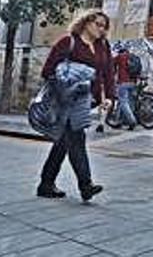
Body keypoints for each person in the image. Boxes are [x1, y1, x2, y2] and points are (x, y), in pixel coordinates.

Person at [37, 10, 113, 201]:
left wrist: (109, 96)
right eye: (98, 24)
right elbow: (47, 71)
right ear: (86, 23)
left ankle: (46, 184)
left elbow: (108, 73)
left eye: (104, 26)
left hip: (86, 101)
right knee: (76, 137)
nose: (101, 29)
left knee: (63, 141)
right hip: (66, 100)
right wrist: (74, 78)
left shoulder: (103, 46)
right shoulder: (68, 42)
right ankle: (85, 185)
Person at [111, 45, 138, 129]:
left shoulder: (120, 56)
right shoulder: (133, 56)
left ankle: (132, 121)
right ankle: (119, 121)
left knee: (123, 102)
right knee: (127, 102)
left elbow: (111, 64)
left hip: (123, 82)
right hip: (133, 82)